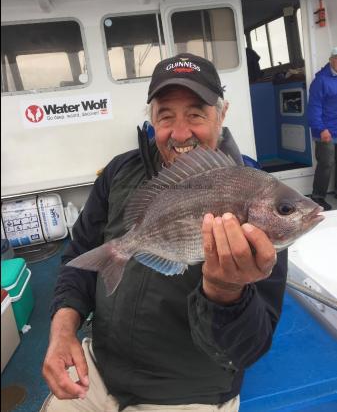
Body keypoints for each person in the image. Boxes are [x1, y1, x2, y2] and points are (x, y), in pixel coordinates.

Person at [41, 53, 288, 412]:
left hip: (186, 394)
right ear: (151, 120)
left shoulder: (257, 194)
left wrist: (225, 293)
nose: (181, 132)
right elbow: (78, 257)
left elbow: (247, 349)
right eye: (166, 116)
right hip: (96, 371)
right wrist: (63, 331)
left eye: (196, 114)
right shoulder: (120, 172)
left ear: (222, 114)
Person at [307, 47, 337, 211]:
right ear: (332, 60)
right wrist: (321, 128)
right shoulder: (320, 81)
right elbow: (314, 108)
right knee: (326, 164)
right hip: (325, 131)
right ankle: (318, 197)